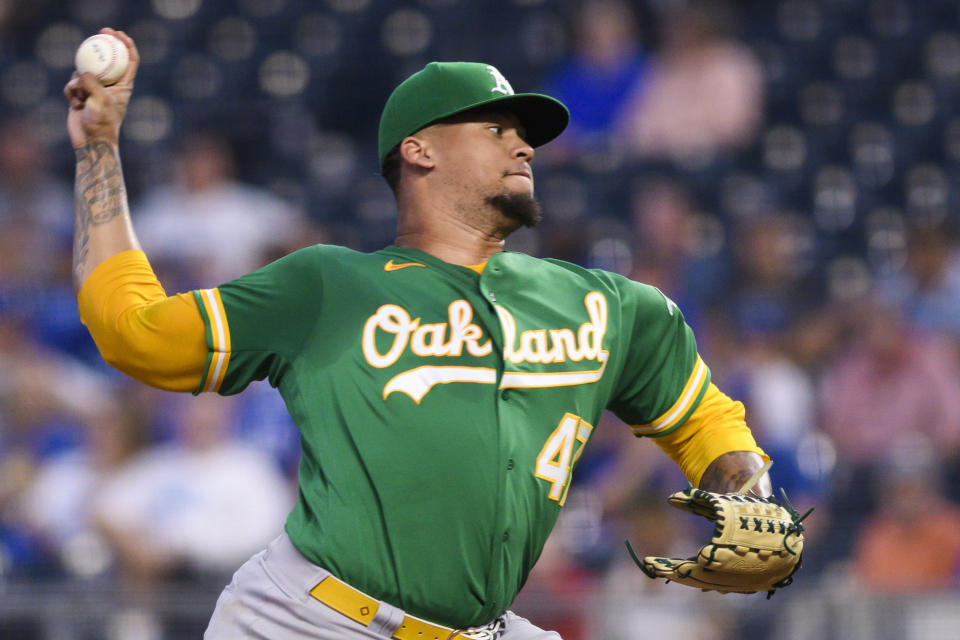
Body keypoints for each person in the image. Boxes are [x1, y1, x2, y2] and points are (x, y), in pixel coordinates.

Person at [65, 28, 780, 640]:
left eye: (525, 133)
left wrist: (749, 492)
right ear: (420, 151)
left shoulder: (604, 304)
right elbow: (136, 333)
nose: (523, 147)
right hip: (310, 621)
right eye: (496, 128)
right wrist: (98, 147)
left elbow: (696, 414)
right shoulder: (329, 286)